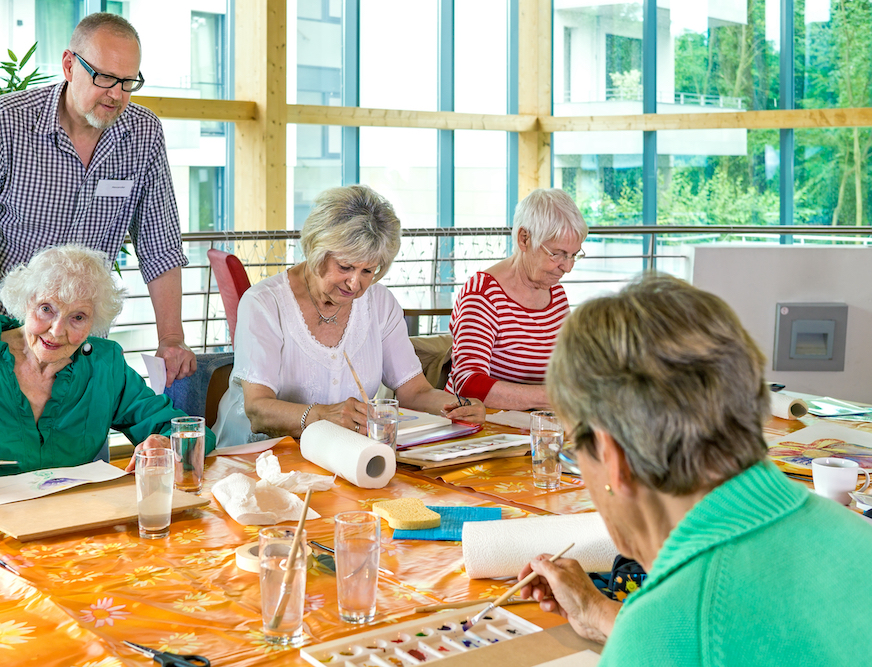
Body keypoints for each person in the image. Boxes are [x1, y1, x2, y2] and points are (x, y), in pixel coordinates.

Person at [516, 274, 872, 665]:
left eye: (575, 454)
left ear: (612, 456)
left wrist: (641, 633)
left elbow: (688, 636)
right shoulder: (856, 539)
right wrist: (599, 612)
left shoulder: (665, 627)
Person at [0, 12, 195, 387]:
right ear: (69, 65)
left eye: (128, 82)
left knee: (84, 445)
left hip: (79, 346)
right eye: (104, 78)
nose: (117, 94)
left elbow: (160, 245)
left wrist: (171, 339)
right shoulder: (6, 123)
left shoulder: (143, 133)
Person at [0, 245, 215, 500]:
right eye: (46, 309)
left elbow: (186, 432)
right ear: (26, 302)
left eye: (78, 317)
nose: (56, 330)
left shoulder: (105, 363)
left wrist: (164, 443)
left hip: (79, 527)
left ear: (95, 323)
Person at [213, 185, 485, 447]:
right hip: (257, 456)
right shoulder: (264, 303)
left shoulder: (380, 303)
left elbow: (415, 391)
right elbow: (257, 410)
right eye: (345, 266)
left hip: (339, 452)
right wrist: (321, 415)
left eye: (368, 271)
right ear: (317, 250)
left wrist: (459, 405)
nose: (355, 284)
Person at [446, 188, 587, 409]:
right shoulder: (483, 294)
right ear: (524, 239)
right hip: (488, 428)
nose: (567, 267)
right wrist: (556, 397)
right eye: (557, 254)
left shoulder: (555, 292)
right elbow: (467, 384)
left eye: (573, 256)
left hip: (535, 423)